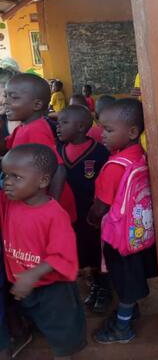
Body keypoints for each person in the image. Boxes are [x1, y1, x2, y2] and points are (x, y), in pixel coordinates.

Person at [1, 144, 86, 359]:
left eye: (16, 177)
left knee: (62, 333)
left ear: (43, 181)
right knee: (38, 320)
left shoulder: (54, 215)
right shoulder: (10, 202)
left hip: (53, 290)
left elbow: (62, 255)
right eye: (5, 175)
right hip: (25, 285)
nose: (7, 182)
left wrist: (33, 274)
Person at [88, 98, 157, 344]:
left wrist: (91, 218)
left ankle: (122, 327)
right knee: (132, 275)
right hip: (137, 231)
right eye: (101, 128)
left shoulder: (114, 166)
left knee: (124, 281)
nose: (102, 135)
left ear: (132, 132)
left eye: (108, 130)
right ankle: (129, 312)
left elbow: (101, 206)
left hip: (117, 237)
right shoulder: (140, 155)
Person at [0, 73, 77, 223]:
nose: (6, 102)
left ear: (36, 105)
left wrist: (50, 206)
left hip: (49, 207)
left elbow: (58, 169)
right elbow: (4, 149)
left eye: (13, 98)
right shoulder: (23, 128)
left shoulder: (36, 130)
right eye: (5, 96)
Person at [57, 105, 112, 313]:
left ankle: (105, 288)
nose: (58, 127)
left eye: (64, 122)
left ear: (81, 127)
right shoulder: (58, 150)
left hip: (93, 216)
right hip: (70, 216)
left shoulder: (99, 152)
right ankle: (95, 285)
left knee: (98, 252)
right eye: (58, 122)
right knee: (82, 253)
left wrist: (99, 210)